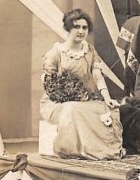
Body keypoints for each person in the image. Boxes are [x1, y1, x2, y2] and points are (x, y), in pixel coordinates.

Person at [40, 9, 123, 160]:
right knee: (72, 108)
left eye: (84, 28)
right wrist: (66, 94)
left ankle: (102, 151)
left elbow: (97, 76)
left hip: (83, 99)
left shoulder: (89, 50)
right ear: (68, 29)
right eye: (76, 27)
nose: (81, 31)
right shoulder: (56, 52)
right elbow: (48, 83)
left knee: (108, 108)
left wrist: (107, 98)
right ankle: (71, 150)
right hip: (55, 103)